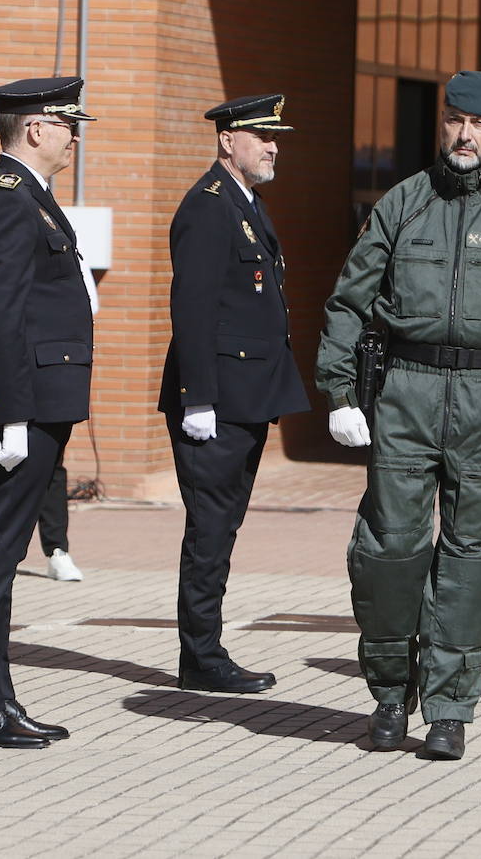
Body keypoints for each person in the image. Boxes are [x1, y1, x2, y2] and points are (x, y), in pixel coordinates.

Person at [316, 71, 481, 760]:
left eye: (479, 124)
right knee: (388, 550)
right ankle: (388, 694)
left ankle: (449, 709)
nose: (466, 135)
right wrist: (340, 393)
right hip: (405, 391)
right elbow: (349, 300)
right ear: (444, 124)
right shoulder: (402, 203)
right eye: (456, 121)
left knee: (468, 559)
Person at [0, 76, 97, 748]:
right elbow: (1, 313)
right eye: (68, 123)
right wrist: (8, 415)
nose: (75, 135)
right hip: (24, 402)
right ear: (36, 128)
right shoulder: (9, 198)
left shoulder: (31, 194)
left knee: (2, 553)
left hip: (38, 397)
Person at [158, 94, 308, 696]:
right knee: (210, 530)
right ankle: (201, 656)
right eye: (262, 137)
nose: (273, 147)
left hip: (245, 395)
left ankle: (205, 650)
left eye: (277, 138)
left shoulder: (244, 203)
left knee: (223, 527)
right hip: (216, 401)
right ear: (228, 141)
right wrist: (197, 399)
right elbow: (191, 308)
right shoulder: (208, 206)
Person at [0, 245, 97, 582]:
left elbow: (88, 298)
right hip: (5, 360)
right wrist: (7, 289)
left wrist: (30, 293)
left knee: (51, 463)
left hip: (49, 366)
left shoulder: (59, 232)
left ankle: (56, 550)